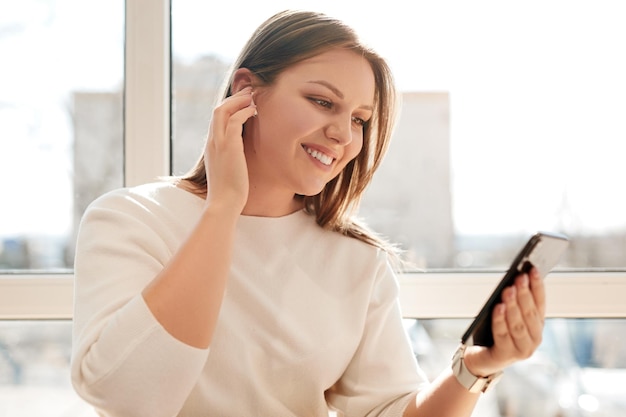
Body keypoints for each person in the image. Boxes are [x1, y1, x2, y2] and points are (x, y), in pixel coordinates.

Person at [71, 9, 546, 417]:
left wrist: (477, 366)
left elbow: (390, 410)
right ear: (246, 92)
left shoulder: (356, 261)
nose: (344, 134)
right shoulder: (128, 220)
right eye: (322, 102)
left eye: (360, 119)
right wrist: (223, 208)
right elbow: (128, 397)